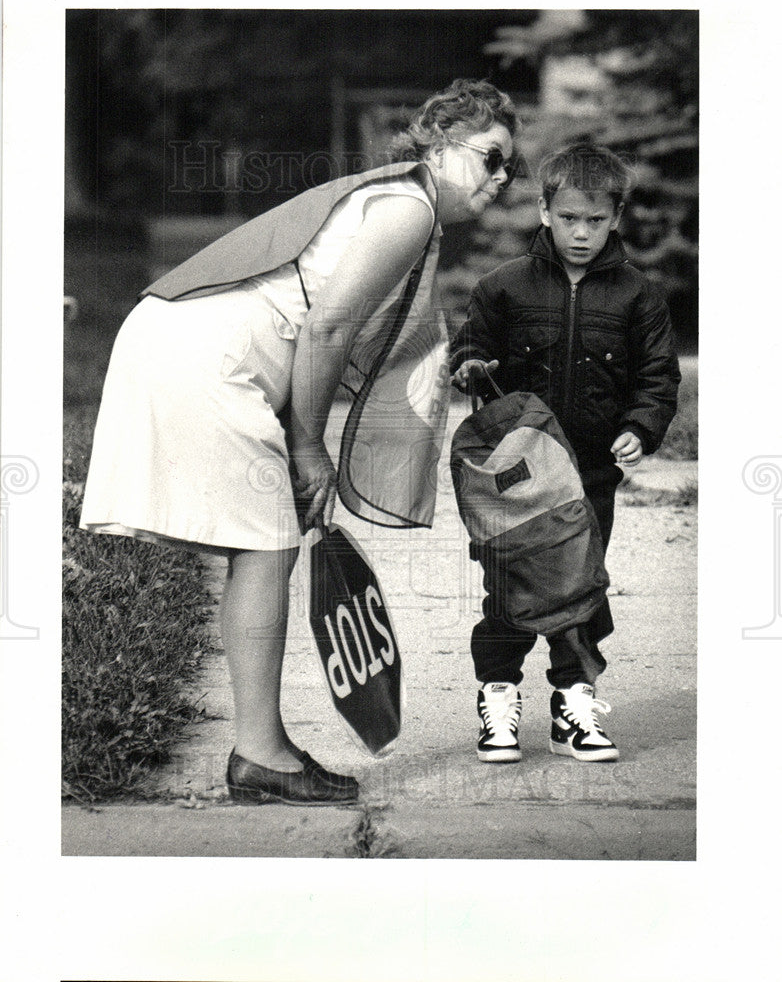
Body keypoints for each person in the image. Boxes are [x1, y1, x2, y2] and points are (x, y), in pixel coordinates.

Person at [80, 78, 520, 806]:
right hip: (206, 353)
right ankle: (261, 755)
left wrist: (303, 439)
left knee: (265, 543)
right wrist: (309, 447)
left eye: (510, 168)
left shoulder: (398, 201)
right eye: (490, 158)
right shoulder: (407, 206)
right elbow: (327, 329)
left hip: (184, 339)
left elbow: (326, 331)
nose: (501, 179)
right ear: (441, 144)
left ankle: (262, 753)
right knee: (267, 542)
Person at [450, 140, 681, 764]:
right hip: (517, 479)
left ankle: (574, 704)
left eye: (597, 220)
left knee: (582, 589)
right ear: (546, 211)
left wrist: (642, 424)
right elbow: (469, 348)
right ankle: (498, 699)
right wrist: (470, 366)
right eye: (571, 218)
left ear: (616, 217)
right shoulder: (504, 287)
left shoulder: (638, 295)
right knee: (510, 585)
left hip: (589, 477)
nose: (582, 233)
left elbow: (658, 376)